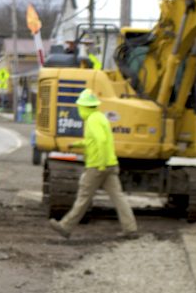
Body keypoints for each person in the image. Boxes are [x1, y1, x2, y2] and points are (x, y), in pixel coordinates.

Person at [48, 89, 138, 238]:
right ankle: (130, 229)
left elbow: (101, 141)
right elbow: (93, 141)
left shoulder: (92, 120)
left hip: (97, 166)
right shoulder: (100, 117)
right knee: (118, 197)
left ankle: (65, 226)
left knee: (83, 197)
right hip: (110, 165)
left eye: (79, 107)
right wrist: (76, 144)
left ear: (83, 107)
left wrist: (101, 165)